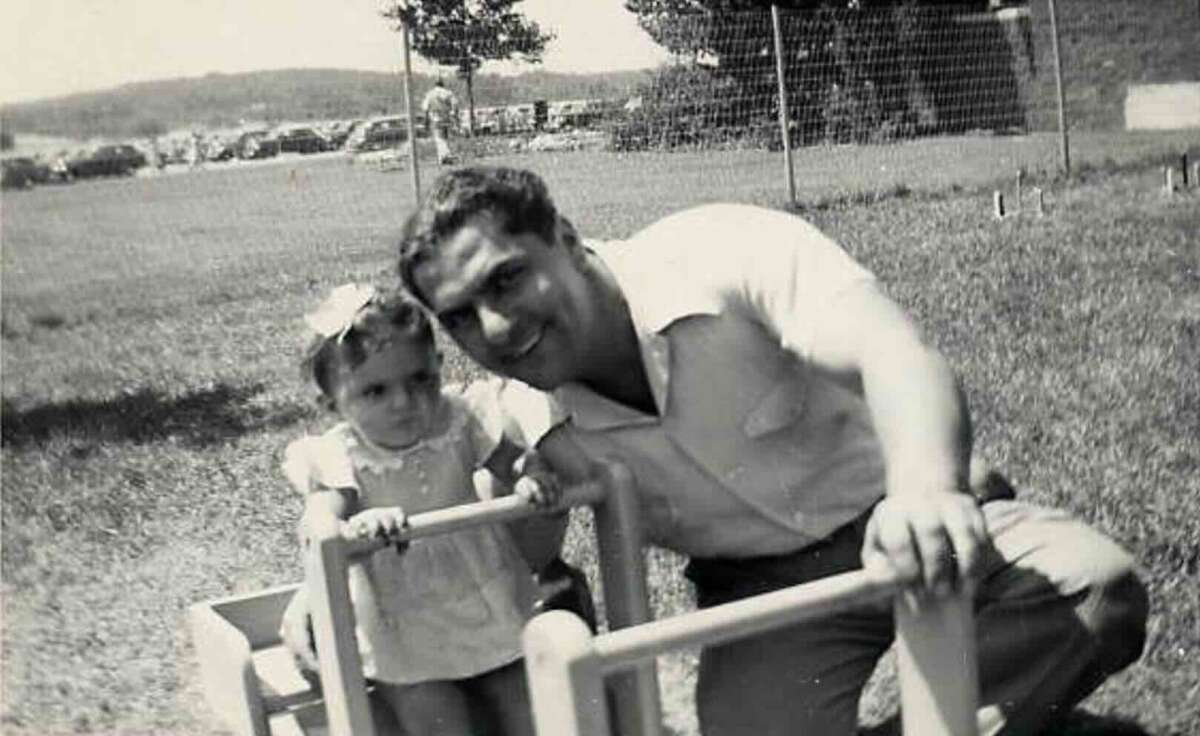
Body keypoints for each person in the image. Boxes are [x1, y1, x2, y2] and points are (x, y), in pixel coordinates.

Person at [381, 166, 1150, 736]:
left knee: (1097, 587)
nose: (496, 327)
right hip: (762, 595)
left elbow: (894, 351)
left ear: (568, 241)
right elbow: (441, 502)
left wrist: (926, 488)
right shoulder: (520, 418)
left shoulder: (717, 249)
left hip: (905, 514)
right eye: (461, 319)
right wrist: (332, 606)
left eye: (508, 280)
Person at [281, 282, 566, 736]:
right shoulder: (342, 456)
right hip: (403, 628)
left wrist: (529, 473)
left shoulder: (459, 418)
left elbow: (513, 457)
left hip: (485, 601)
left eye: (419, 380)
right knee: (439, 721)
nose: (405, 402)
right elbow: (321, 524)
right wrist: (357, 526)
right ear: (332, 401)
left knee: (529, 705)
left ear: (438, 366)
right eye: (375, 391)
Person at [422, 80, 459, 165]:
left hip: (436, 117)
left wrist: (426, 121)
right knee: (445, 137)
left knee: (439, 138)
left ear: (435, 85)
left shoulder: (430, 94)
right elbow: (455, 104)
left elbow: (425, 108)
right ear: (443, 85)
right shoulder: (448, 93)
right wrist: (455, 116)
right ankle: (442, 158)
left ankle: (446, 154)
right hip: (447, 117)